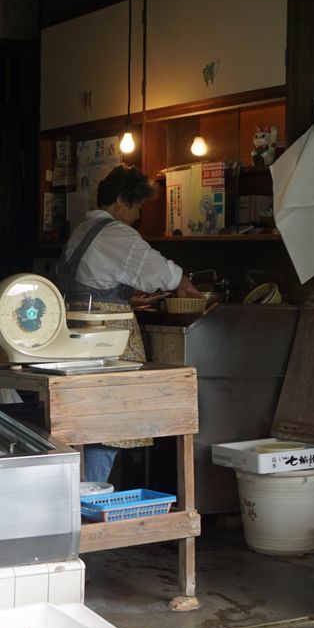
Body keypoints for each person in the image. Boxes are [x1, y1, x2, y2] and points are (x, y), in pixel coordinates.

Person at [57, 163, 203, 484]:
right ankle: (89, 506)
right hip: (107, 335)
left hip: (75, 328)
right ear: (121, 200)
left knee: (85, 422)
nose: (137, 215)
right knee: (109, 426)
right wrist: (183, 281)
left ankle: (83, 500)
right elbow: (156, 271)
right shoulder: (116, 233)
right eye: (136, 207)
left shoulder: (83, 229)